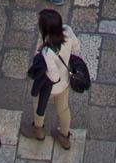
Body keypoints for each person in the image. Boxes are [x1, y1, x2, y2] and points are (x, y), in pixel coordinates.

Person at [21, 8, 81, 149]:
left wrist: (40, 56)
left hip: (49, 87)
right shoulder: (67, 31)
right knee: (63, 109)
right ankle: (64, 136)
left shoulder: (48, 51)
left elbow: (53, 76)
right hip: (65, 82)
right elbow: (77, 47)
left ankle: (38, 131)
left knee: (39, 106)